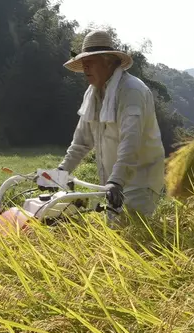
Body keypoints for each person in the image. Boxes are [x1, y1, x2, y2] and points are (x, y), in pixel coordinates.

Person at [57, 30, 166, 218]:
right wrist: (59, 172)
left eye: (90, 62)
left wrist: (116, 181)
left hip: (139, 182)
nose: (85, 69)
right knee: (114, 234)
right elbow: (81, 142)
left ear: (108, 61)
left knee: (133, 240)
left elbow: (131, 141)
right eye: (83, 64)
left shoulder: (131, 91)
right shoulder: (92, 95)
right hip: (113, 183)